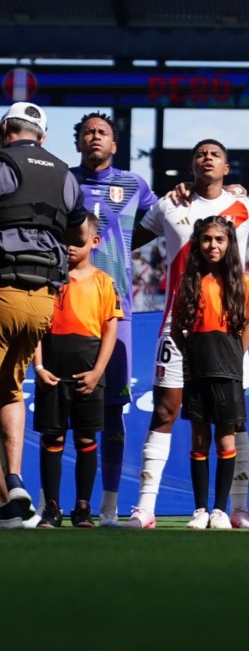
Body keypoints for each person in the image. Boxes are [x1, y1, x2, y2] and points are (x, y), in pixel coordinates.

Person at [124, 140, 249, 529]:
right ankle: (146, 507)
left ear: (227, 167)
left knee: (233, 422)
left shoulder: (245, 207)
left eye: (215, 155)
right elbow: (126, 237)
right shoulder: (171, 203)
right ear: (191, 166)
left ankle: (236, 508)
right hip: (178, 329)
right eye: (200, 155)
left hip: (229, 337)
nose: (207, 158)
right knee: (165, 411)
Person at [0, 102, 88, 527]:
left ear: (5, 129)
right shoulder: (66, 175)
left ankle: (8, 493)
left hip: (1, 290)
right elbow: (80, 231)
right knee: (9, 390)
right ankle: (13, 488)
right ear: (43, 137)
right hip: (41, 302)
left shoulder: (3, 164)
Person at [69, 112, 158, 526]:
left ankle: (108, 503)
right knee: (62, 407)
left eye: (101, 132)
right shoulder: (64, 182)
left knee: (112, 409)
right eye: (87, 132)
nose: (94, 137)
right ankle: (55, 502)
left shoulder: (134, 184)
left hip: (116, 308)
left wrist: (123, 246)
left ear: (114, 145)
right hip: (67, 303)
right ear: (78, 142)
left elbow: (162, 217)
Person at [31, 213, 121, 528]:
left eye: (77, 241)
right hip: (52, 372)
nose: (70, 246)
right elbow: (36, 326)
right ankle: (51, 508)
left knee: (86, 438)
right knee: (52, 437)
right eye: (65, 239)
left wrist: (98, 372)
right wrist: (38, 366)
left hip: (89, 372)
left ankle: (83, 508)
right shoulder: (48, 279)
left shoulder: (104, 281)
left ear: (94, 242)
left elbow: (110, 330)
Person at [170, 216, 249, 530]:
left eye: (220, 239)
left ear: (229, 243)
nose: (213, 245)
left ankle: (220, 509)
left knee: (226, 439)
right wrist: (193, 355)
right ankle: (200, 510)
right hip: (197, 370)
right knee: (199, 438)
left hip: (229, 371)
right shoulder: (188, 281)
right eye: (207, 239)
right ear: (198, 243)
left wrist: (230, 357)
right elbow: (177, 329)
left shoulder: (240, 282)